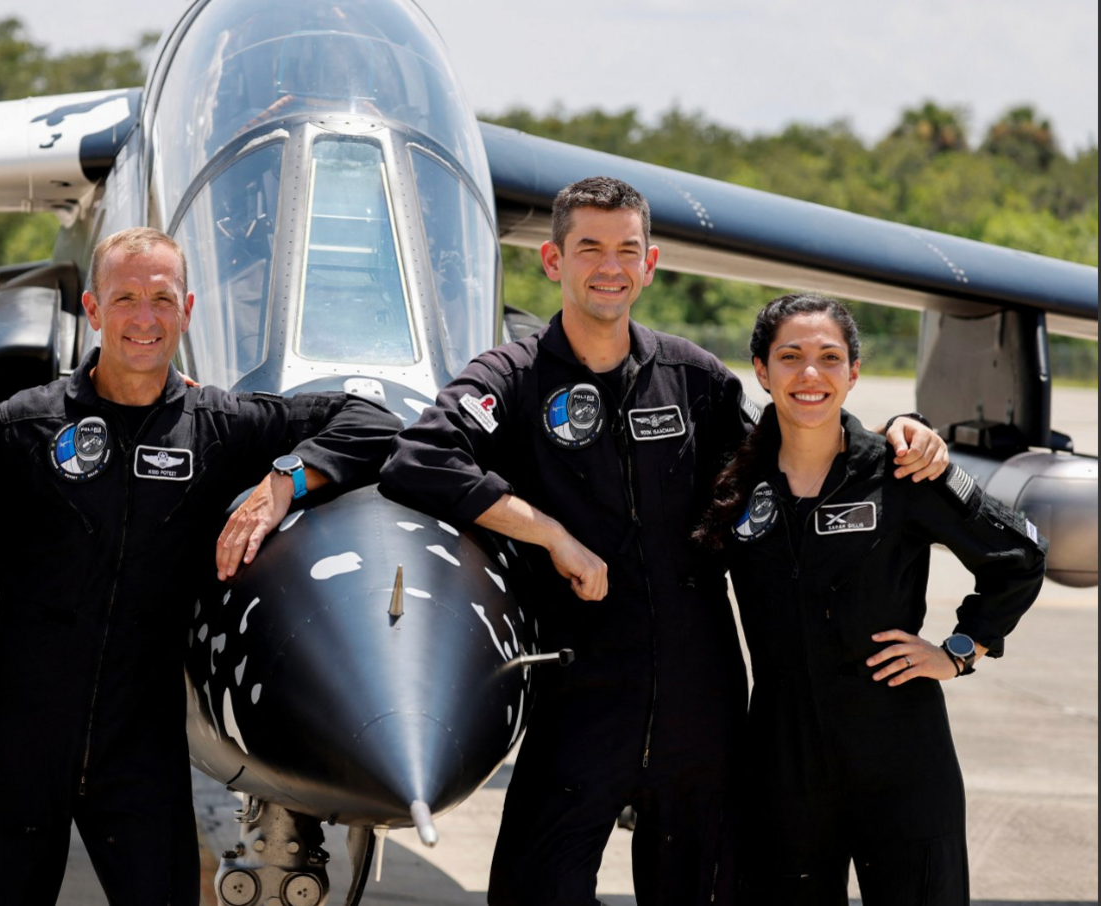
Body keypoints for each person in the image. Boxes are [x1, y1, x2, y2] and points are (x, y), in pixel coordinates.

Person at [377, 177, 950, 905]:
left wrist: (897, 431)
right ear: (553, 261)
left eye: (627, 249)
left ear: (650, 265)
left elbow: (791, 457)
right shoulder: (512, 378)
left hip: (700, 704)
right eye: (589, 248)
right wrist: (551, 534)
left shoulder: (694, 379)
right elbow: (419, 459)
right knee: (532, 889)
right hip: (581, 693)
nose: (609, 267)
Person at [0, 227, 395, 904]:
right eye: (125, 298)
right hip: (16, 739)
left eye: (162, 299)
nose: (144, 318)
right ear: (94, 311)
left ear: (186, 309)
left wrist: (284, 481)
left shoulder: (221, 427)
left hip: (140, 746)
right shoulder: (21, 429)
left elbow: (371, 423)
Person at [692, 294, 1046, 904]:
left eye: (830, 358)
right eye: (790, 356)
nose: (811, 374)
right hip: (782, 760)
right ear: (760, 370)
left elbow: (1018, 556)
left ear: (853, 373)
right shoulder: (735, 483)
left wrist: (961, 650)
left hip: (900, 755)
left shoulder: (901, 470)